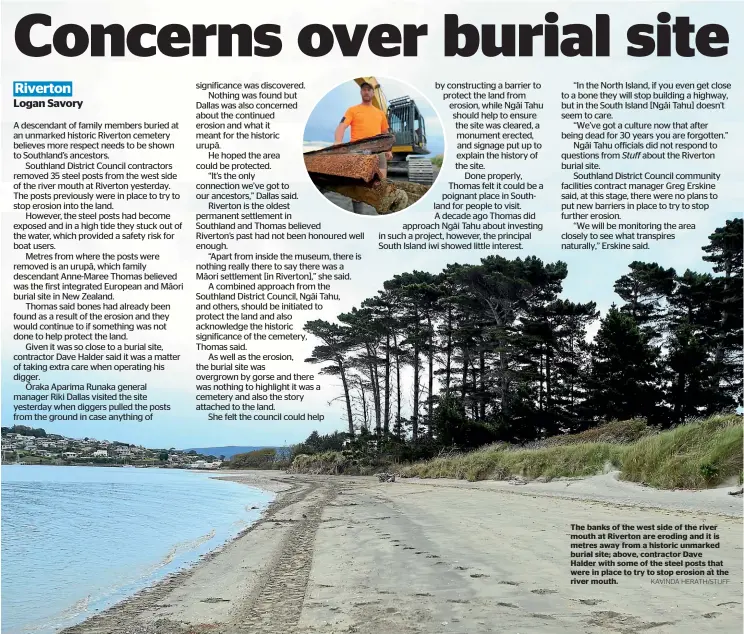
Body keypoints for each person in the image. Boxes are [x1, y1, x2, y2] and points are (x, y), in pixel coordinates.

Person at [334, 81, 393, 214]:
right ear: (361, 92)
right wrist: (338, 141)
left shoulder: (380, 113)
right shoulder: (352, 110)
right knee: (358, 185)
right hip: (359, 150)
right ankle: (358, 214)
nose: (366, 92)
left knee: (381, 184)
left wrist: (388, 149)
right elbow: (342, 126)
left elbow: (385, 134)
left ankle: (382, 212)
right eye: (364, 89)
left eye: (369, 90)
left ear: (373, 93)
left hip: (378, 151)